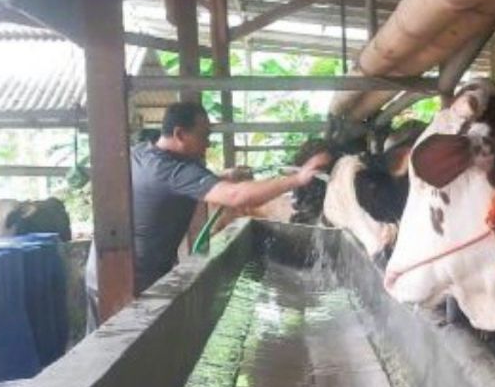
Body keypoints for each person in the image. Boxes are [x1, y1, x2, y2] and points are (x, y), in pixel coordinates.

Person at [85, 103, 330, 331]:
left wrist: (223, 176)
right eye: (204, 136)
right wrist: (298, 179)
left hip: (101, 271)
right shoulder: (173, 170)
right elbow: (235, 196)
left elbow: (171, 184)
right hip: (129, 282)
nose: (208, 144)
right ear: (180, 134)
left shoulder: (142, 153)